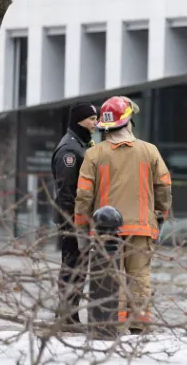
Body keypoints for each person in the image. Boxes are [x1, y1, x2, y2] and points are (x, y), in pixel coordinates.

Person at [73, 96, 172, 333]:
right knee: (138, 277)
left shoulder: (94, 154)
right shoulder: (149, 151)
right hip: (141, 227)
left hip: (107, 232)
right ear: (128, 122)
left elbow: (84, 196)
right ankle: (139, 325)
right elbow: (164, 187)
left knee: (110, 278)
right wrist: (159, 215)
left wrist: (81, 226)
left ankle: (110, 324)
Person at [51, 101, 98, 327]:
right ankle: (67, 315)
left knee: (78, 268)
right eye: (91, 119)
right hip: (72, 220)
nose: (95, 123)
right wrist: (73, 223)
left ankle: (70, 314)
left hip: (79, 219)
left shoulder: (81, 144)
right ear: (79, 120)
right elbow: (66, 191)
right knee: (72, 267)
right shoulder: (70, 150)